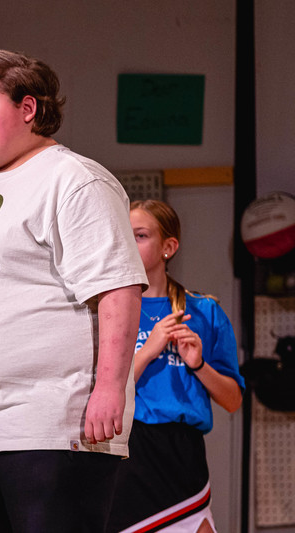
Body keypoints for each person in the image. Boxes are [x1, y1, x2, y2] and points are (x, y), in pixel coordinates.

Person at [0, 49, 148, 533]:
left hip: (51, 426)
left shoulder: (73, 179)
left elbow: (118, 287)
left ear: (27, 108)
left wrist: (109, 388)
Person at [105, 200, 244, 533]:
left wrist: (199, 365)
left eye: (140, 235)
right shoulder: (107, 310)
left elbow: (232, 401)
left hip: (183, 457)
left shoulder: (205, 311)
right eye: (125, 234)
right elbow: (101, 392)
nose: (129, 243)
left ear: (168, 247)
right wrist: (148, 350)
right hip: (128, 452)